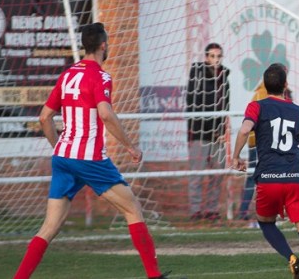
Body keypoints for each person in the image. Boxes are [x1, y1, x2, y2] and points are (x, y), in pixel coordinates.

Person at [13, 23, 170, 279]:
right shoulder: (101, 76)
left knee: (49, 227)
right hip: (90, 159)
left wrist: (62, 149)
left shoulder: (66, 76)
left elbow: (44, 118)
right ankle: (154, 275)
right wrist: (130, 146)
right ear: (103, 45)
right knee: (132, 209)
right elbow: (106, 114)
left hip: (64, 157)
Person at [230, 63, 299, 279]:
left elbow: (245, 130)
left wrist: (236, 157)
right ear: (285, 84)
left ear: (265, 85)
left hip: (268, 179)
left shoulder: (257, 106)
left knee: (266, 223)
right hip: (294, 179)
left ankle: (291, 258)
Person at [237, 64, 293, 224]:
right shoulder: (262, 94)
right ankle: (245, 211)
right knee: (258, 177)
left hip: (274, 143)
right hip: (261, 143)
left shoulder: (284, 93)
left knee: (273, 177)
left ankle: (275, 210)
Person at [185, 42, 230, 221]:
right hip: (199, 133)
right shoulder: (196, 74)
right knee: (197, 173)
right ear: (206, 57)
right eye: (212, 56)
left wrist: (222, 128)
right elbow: (192, 104)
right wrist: (202, 129)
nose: (216, 60)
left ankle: (212, 209)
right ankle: (196, 209)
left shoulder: (225, 76)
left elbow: (226, 104)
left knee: (217, 173)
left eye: (218, 56)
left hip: (217, 134)